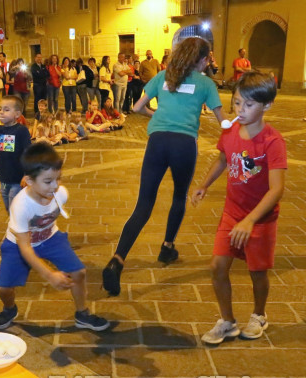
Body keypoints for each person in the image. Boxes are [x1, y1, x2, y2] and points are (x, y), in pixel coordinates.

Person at [102, 37, 225, 296]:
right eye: (207, 59)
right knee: (179, 195)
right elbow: (222, 121)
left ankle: (117, 260)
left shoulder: (163, 76)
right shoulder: (205, 83)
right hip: (184, 145)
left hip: (156, 142)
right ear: (202, 60)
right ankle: (167, 247)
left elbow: (137, 107)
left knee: (144, 204)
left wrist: (155, 115)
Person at [191, 71, 286, 344]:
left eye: (249, 104)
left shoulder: (272, 141)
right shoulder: (231, 130)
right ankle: (227, 321)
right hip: (232, 213)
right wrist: (205, 184)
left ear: (266, 105)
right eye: (236, 102)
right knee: (217, 266)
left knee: (257, 273)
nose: (240, 110)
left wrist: (251, 221)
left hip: (261, 219)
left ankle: (259, 315)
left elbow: (277, 189)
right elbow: (224, 158)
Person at [0, 141, 110, 331]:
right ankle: (9, 308)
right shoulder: (21, 205)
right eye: (48, 181)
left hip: (50, 238)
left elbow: (52, 193)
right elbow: (25, 247)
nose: (55, 186)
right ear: (30, 181)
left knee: (79, 273)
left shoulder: (61, 193)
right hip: (18, 244)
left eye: (58, 179)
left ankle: (82, 314)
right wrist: (49, 275)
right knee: (3, 288)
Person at [0, 96, 32, 212]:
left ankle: (21, 229)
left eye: (6, 109)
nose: (1, 112)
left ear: (17, 114)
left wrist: (27, 174)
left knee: (15, 210)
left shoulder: (21, 130)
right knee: (8, 209)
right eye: (0, 109)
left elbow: (28, 153)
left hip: (18, 180)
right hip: (4, 178)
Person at [31, 53, 49, 119]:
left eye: (40, 57)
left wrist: (41, 73)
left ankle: (44, 112)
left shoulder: (43, 66)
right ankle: (37, 113)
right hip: (37, 85)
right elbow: (36, 74)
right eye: (38, 57)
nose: (39, 59)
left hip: (44, 85)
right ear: (35, 58)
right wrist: (42, 73)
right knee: (37, 99)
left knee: (44, 99)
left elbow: (47, 74)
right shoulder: (33, 66)